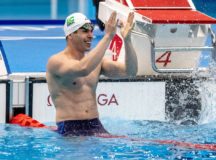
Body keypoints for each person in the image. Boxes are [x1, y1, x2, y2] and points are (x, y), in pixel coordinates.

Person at [46, 11, 138, 136]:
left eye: (91, 31)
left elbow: (130, 71)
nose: (91, 35)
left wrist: (127, 40)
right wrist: (108, 37)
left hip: (95, 125)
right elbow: (83, 68)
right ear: (71, 34)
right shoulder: (56, 61)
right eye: (85, 31)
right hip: (70, 128)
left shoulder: (96, 62)